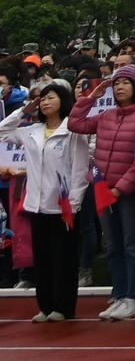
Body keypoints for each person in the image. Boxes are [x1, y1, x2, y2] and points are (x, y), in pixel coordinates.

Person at [66, 64, 135, 320]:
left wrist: (121, 188)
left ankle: (134, 297)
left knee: (132, 244)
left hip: (130, 191)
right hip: (104, 190)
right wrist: (90, 98)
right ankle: (118, 294)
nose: (119, 87)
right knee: (113, 245)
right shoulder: (105, 116)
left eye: (125, 82)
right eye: (116, 83)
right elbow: (75, 123)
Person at [0, 80, 88, 322]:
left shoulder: (73, 130)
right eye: (43, 98)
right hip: (36, 204)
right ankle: (46, 305)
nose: (46, 102)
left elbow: (80, 170)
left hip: (63, 205)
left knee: (64, 259)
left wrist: (74, 203)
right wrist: (23, 111)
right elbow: (1, 132)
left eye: (52, 97)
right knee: (43, 258)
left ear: (63, 101)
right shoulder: (32, 131)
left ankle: (64, 306)